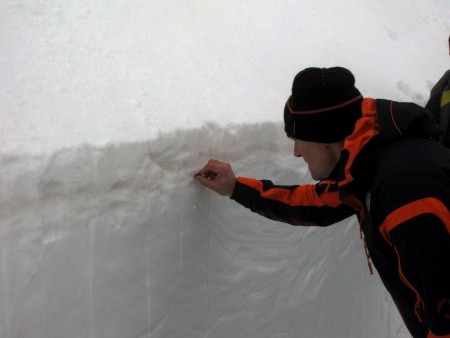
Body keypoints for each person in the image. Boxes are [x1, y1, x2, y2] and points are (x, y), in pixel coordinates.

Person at [195, 66, 450, 338]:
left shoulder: (407, 193)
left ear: (324, 141)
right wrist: (235, 188)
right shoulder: (371, 162)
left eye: (297, 140)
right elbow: (319, 204)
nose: (295, 153)